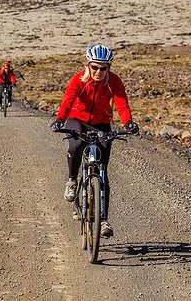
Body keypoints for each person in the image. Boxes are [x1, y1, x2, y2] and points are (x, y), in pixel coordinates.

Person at [50, 44, 139, 238]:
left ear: (109, 67)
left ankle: (104, 219)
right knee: (75, 147)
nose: (99, 72)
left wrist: (129, 122)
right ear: (88, 65)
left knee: (103, 171)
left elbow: (122, 103)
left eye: (103, 67)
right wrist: (59, 120)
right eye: (95, 67)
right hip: (77, 120)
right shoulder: (79, 79)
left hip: (101, 123)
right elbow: (68, 100)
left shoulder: (114, 81)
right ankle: (73, 181)